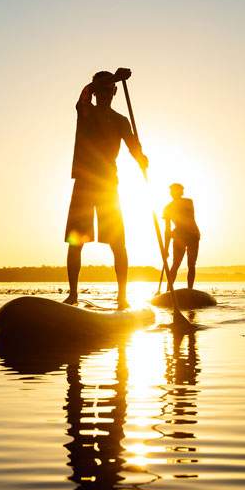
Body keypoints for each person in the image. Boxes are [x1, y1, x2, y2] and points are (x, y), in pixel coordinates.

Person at [64, 68, 148, 309]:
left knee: (117, 242)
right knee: (75, 242)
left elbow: (134, 148)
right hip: (83, 183)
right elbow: (84, 94)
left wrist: (142, 158)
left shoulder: (121, 121)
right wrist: (113, 78)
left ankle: (122, 297)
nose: (102, 94)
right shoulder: (85, 111)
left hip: (108, 186)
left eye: (107, 90)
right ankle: (73, 295)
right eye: (99, 89)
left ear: (113, 93)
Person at [163, 183, 201, 292]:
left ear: (181, 192)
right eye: (172, 191)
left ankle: (190, 290)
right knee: (175, 264)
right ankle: (168, 291)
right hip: (179, 237)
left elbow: (187, 218)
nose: (174, 193)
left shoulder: (188, 202)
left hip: (193, 235)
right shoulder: (167, 208)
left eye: (177, 191)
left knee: (191, 264)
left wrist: (174, 232)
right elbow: (167, 230)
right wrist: (165, 249)